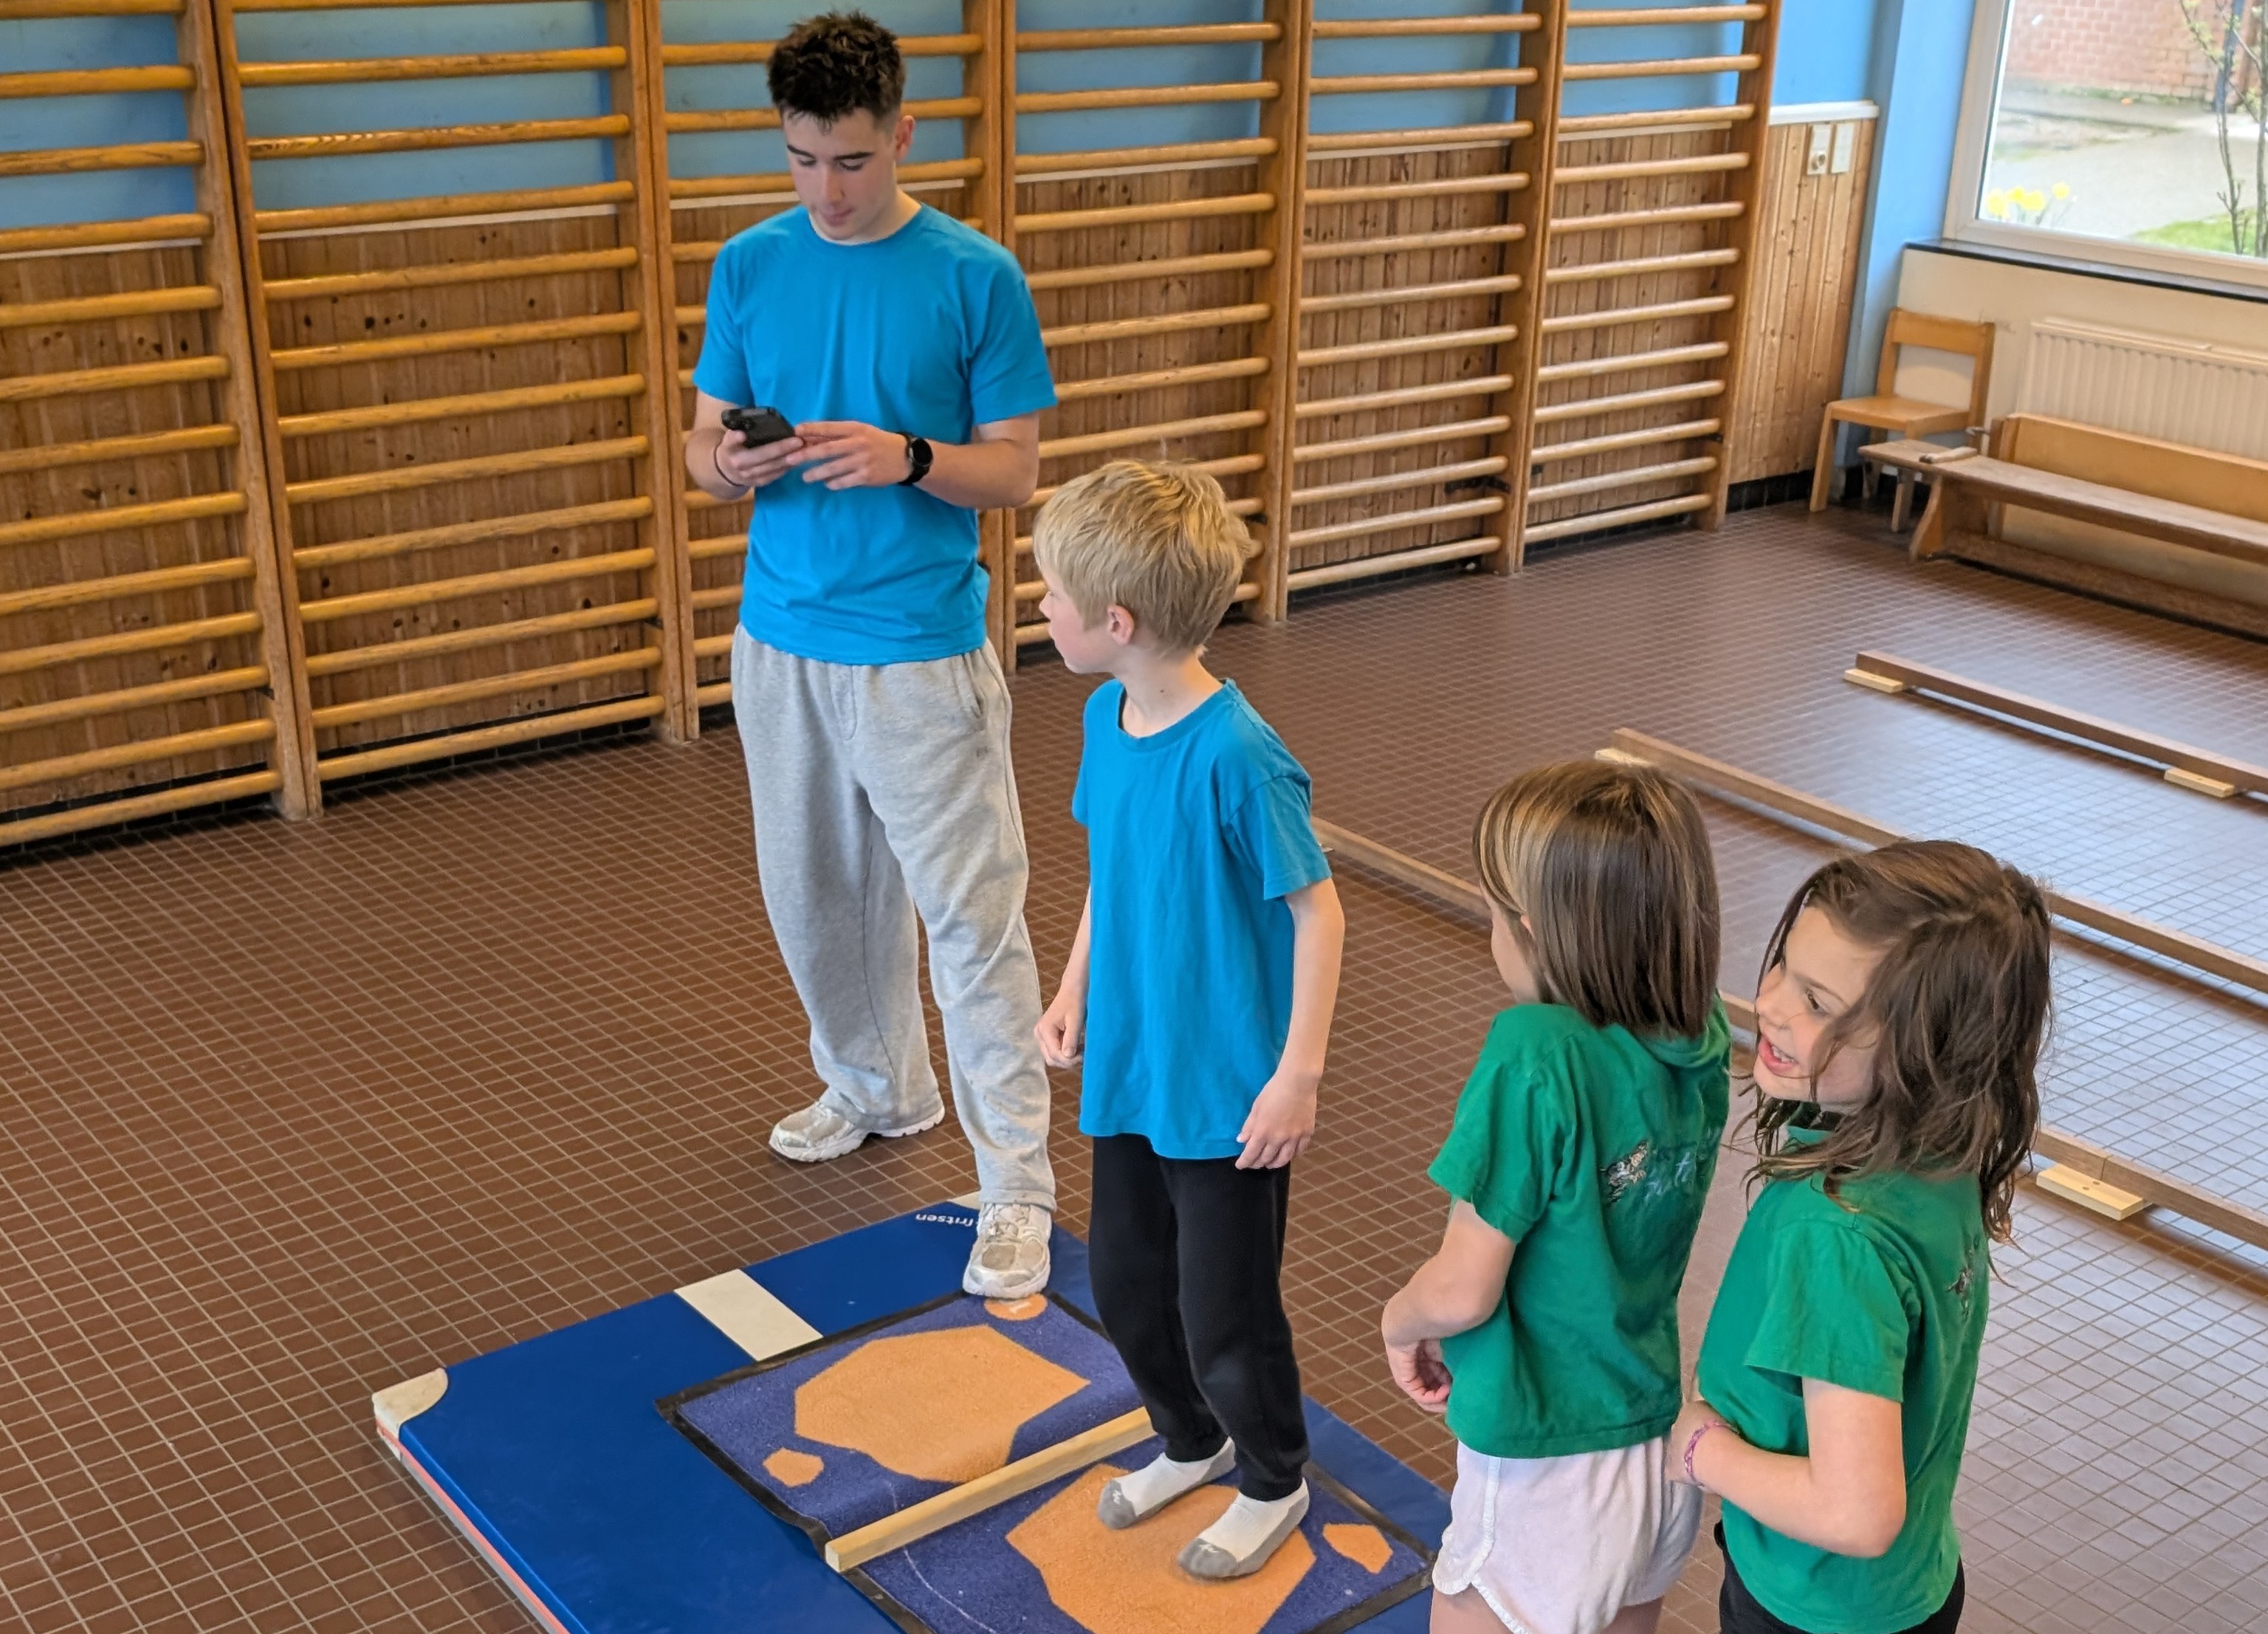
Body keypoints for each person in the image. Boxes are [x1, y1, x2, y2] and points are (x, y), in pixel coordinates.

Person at [684, 12, 1059, 1297]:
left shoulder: (973, 275)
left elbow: (1014, 471)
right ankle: (877, 1086)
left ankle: (1015, 1185)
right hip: (778, 641)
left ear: (902, 134)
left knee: (969, 922)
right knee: (815, 899)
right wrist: (730, 464)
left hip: (918, 650)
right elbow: (699, 451)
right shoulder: (748, 264)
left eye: (849, 160)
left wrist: (907, 457)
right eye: (802, 160)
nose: (826, 189)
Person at [1029, 461, 1346, 1581]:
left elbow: (1319, 913)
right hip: (1133, 1065)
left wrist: (1297, 1075)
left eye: (1052, 594)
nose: (1041, 608)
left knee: (1226, 1310)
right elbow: (1113, 874)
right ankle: (1190, 1438)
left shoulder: (1238, 755)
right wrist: (1074, 987)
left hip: (1224, 1094)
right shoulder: (1104, 716)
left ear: (1116, 621)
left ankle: (1272, 1475)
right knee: (1124, 1284)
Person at [1381, 761, 1731, 1634]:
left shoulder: (1534, 1052)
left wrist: (1399, 1319)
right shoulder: (1701, 1040)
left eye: (1492, 915)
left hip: (1547, 1460)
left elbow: (1464, 1286)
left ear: (1532, 932)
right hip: (1653, 1440)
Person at [1670, 842, 2050, 1634]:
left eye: (1819, 1003)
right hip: (1910, 1586)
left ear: (1923, 1052)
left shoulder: (1838, 1234)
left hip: (1819, 1607)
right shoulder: (1938, 1151)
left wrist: (1704, 1451)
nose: (1772, 1003)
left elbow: (1857, 1513)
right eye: (1783, 964)